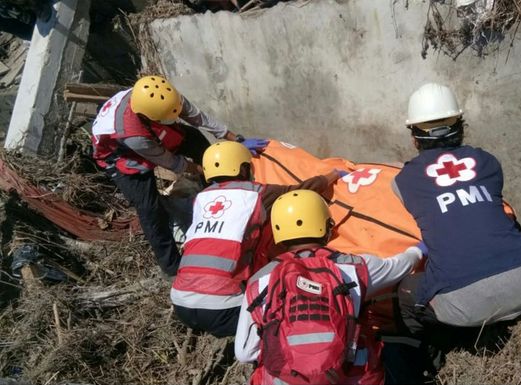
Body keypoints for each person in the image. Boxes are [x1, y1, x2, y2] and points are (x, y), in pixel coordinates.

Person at [392, 83, 521, 363]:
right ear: (461, 127)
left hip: (459, 308)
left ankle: (440, 354)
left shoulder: (403, 181)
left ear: (415, 138)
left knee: (406, 293)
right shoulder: (488, 162)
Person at [235, 189, 425, 385]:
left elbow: (244, 353)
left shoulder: (259, 280)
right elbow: (400, 266)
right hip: (346, 376)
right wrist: (418, 251)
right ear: (327, 227)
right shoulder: (354, 267)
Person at [91, 75, 268, 277]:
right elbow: (173, 163)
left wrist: (235, 138)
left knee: (195, 140)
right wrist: (206, 169)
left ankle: (222, 194)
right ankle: (172, 267)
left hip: (151, 128)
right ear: (150, 117)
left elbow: (198, 117)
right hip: (120, 156)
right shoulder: (134, 136)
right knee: (150, 208)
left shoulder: (163, 97)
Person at [170, 141, 346, 337]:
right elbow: (301, 191)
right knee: (285, 325)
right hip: (223, 308)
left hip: (180, 302)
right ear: (244, 169)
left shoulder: (202, 197)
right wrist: (333, 175)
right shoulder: (255, 194)